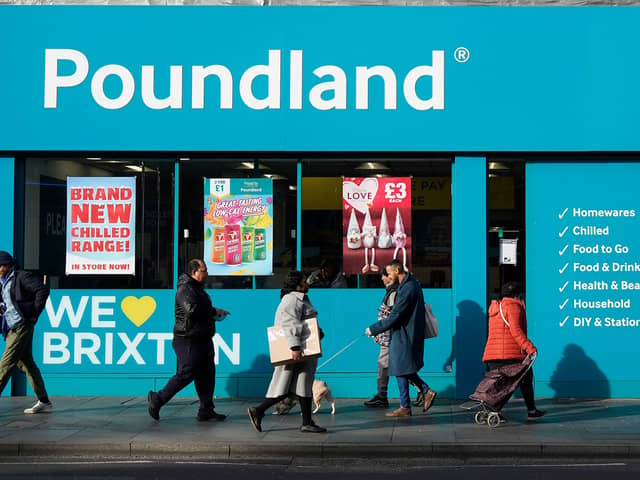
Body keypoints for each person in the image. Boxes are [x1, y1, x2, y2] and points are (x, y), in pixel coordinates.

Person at [147, 259, 229, 422]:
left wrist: (214, 314)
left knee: (207, 374)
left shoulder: (196, 288)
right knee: (187, 372)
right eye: (203, 270)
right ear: (194, 272)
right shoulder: (185, 289)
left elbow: (199, 309)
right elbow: (192, 309)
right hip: (188, 339)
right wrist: (214, 311)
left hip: (202, 338)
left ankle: (206, 409)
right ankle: (157, 399)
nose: (206, 274)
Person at [248, 270, 327, 433]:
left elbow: (304, 322)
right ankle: (259, 410)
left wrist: (317, 332)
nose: (307, 283)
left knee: (302, 387)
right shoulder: (292, 300)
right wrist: (295, 347)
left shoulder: (299, 299)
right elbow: (289, 324)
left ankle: (306, 422)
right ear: (297, 284)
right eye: (304, 281)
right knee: (286, 387)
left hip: (303, 351)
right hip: (297, 351)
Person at [365, 259, 437, 417]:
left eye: (389, 273)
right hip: (405, 332)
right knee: (401, 368)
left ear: (397, 271)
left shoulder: (407, 288)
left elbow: (396, 315)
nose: (388, 276)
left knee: (400, 367)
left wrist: (374, 329)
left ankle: (419, 395)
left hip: (405, 333)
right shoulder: (410, 284)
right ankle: (413, 400)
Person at [483, 281, 545, 420]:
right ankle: (531, 411)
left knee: (500, 384)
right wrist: (530, 348)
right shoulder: (513, 307)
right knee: (525, 379)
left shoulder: (496, 307)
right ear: (518, 295)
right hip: (510, 354)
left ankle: (493, 411)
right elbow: (516, 331)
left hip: (492, 353)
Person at [0, 251, 52, 414]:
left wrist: (33, 312)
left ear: (8, 265)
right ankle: (44, 401)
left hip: (22, 325)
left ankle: (44, 401)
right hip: (10, 327)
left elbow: (42, 290)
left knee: (5, 364)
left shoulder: (21, 277)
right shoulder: (1, 282)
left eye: (1, 266)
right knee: (26, 364)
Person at [363, 267, 398, 408]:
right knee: (391, 366)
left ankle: (382, 396)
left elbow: (391, 317)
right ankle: (381, 395)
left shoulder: (393, 293)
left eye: (385, 276)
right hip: (387, 336)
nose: (382, 278)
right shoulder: (390, 292)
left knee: (384, 366)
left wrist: (375, 330)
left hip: (390, 338)